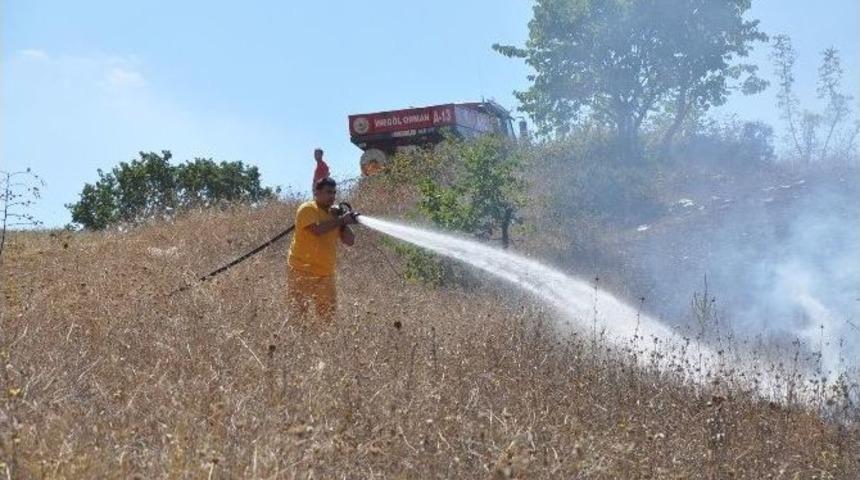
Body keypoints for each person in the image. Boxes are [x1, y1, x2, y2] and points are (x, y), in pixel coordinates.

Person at [287, 176, 356, 325]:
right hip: (301, 270)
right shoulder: (307, 209)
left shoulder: (334, 215)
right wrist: (341, 220)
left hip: (325, 273)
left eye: (334, 193)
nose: (332, 196)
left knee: (327, 319)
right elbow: (318, 230)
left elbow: (350, 241)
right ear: (316, 192)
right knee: (298, 316)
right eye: (328, 192)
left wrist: (342, 220)